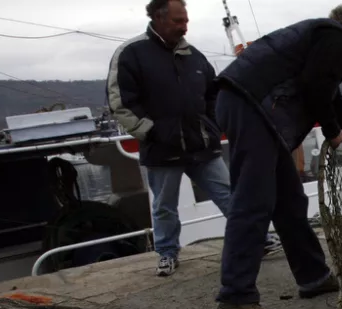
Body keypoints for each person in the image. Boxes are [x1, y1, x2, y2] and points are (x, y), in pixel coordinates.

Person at [211, 2, 342, 309]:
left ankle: (313, 276)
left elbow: (335, 106)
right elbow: (315, 89)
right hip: (251, 106)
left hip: (252, 108)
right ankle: (237, 295)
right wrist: (332, 132)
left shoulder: (321, 46)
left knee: (289, 201)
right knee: (253, 201)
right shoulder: (335, 38)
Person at [106, 0, 280, 277]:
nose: (184, 26)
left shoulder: (194, 56)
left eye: (185, 20)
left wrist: (212, 126)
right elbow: (120, 103)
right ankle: (167, 253)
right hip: (162, 149)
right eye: (178, 21)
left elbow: (213, 96)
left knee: (230, 195)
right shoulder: (131, 53)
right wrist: (152, 132)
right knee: (164, 206)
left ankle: (258, 240)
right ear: (159, 18)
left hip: (202, 146)